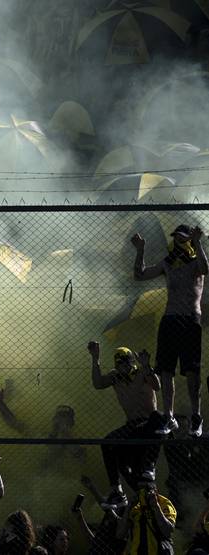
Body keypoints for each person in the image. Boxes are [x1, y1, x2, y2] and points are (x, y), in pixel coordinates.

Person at [132, 224, 208, 436]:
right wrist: (140, 250)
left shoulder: (196, 261)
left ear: (189, 239)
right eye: (176, 237)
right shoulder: (168, 263)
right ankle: (169, 417)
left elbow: (205, 269)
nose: (178, 241)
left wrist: (198, 242)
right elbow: (140, 275)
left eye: (182, 238)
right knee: (166, 370)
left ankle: (196, 417)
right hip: (170, 320)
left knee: (192, 371)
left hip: (190, 320)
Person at [88, 342, 163, 505]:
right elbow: (98, 384)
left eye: (126, 362)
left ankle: (149, 472)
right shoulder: (115, 377)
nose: (123, 366)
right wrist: (95, 359)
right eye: (120, 363)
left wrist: (146, 366)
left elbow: (157, 386)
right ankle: (117, 490)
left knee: (158, 416)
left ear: (132, 362)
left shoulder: (142, 372)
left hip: (148, 423)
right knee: (107, 443)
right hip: (132, 425)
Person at [113, 482, 176, 555]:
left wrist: (155, 506)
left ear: (156, 492)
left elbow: (168, 531)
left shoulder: (164, 504)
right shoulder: (135, 507)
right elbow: (120, 534)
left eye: (147, 491)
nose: (144, 494)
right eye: (140, 492)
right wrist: (128, 507)